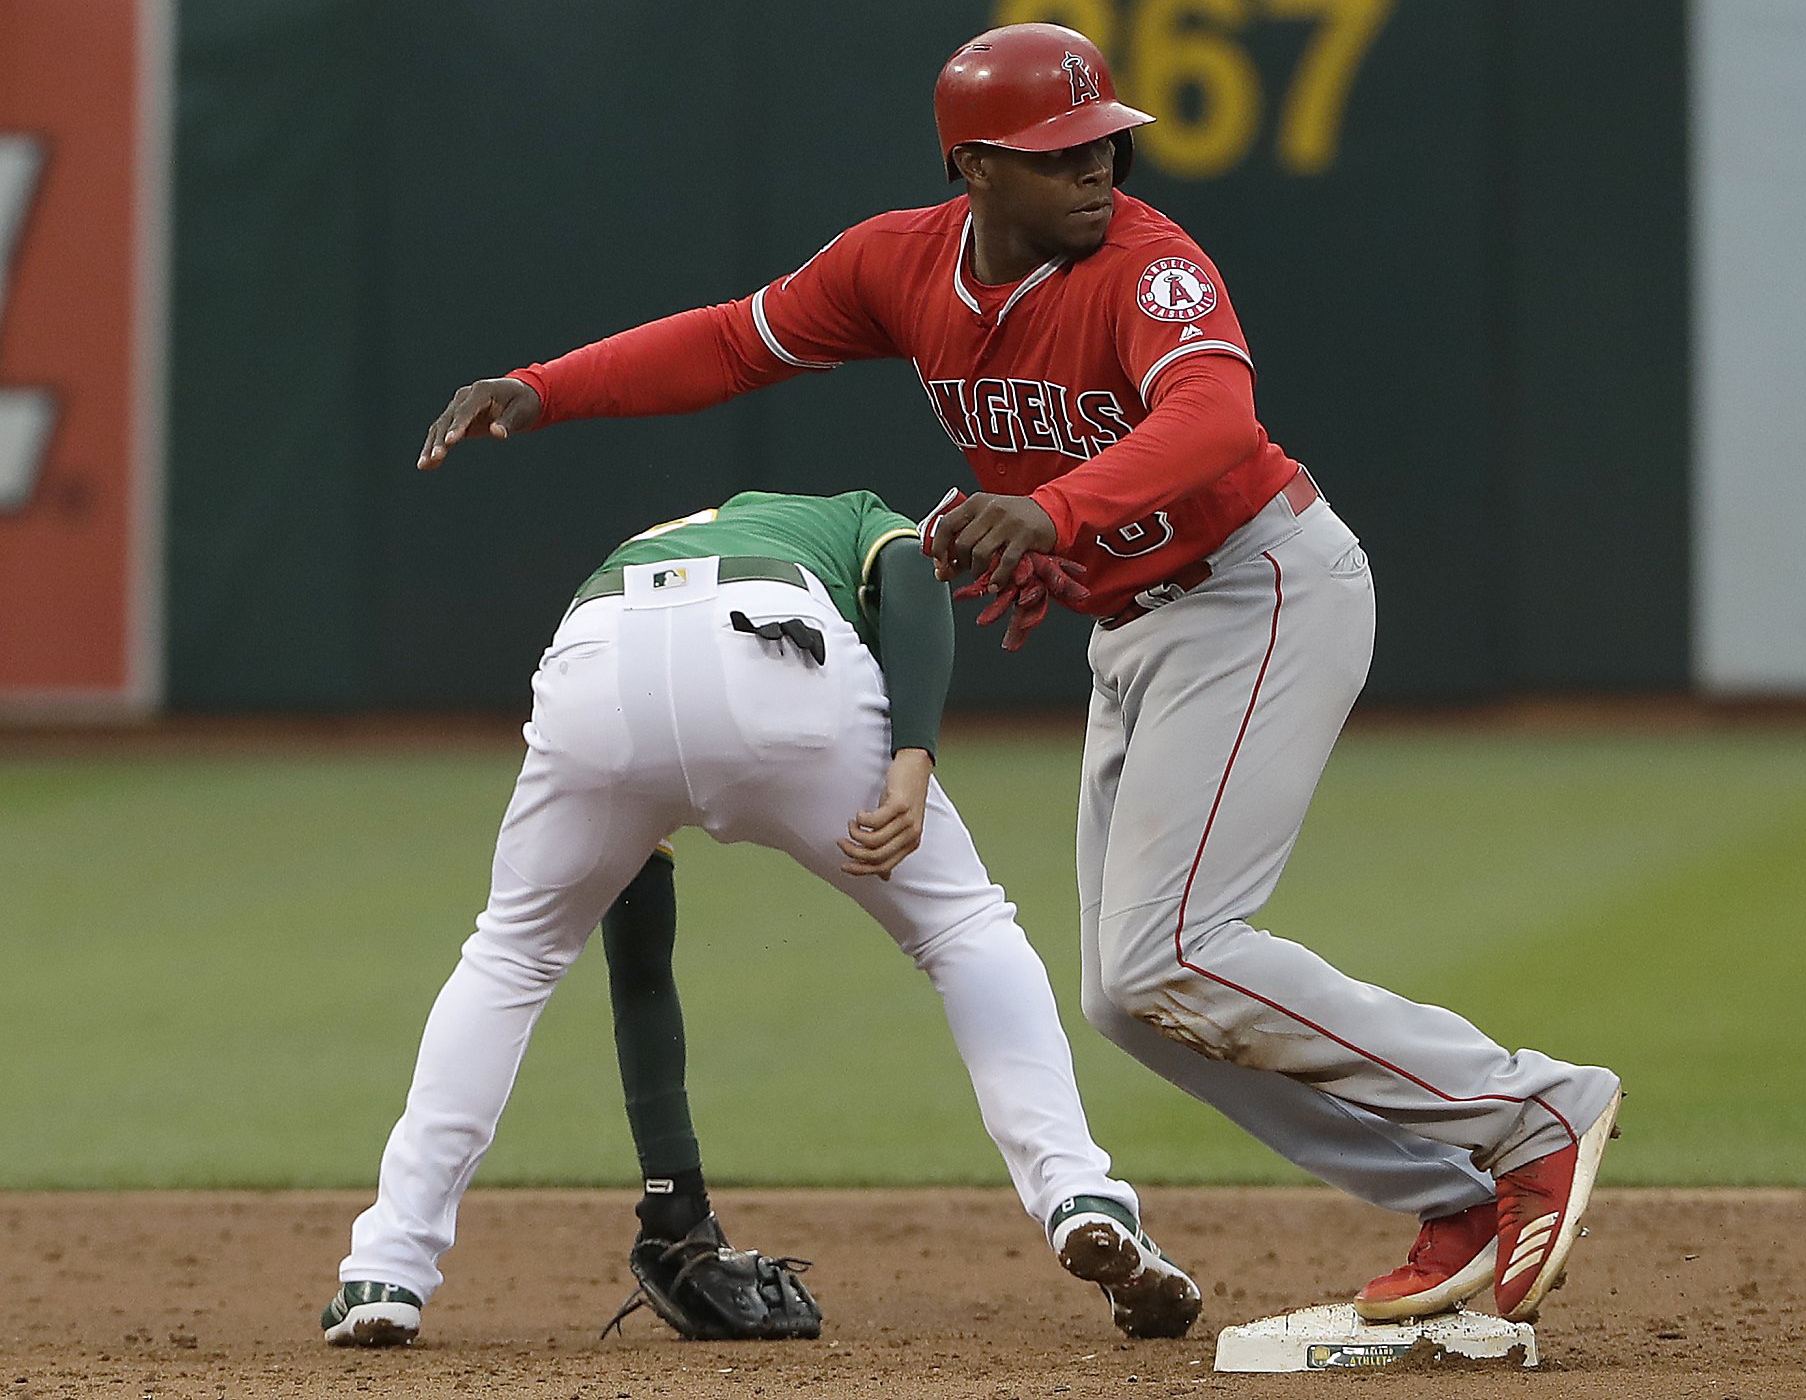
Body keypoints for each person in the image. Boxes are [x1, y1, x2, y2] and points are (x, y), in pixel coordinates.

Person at [414, 22, 1621, 1325]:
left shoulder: (1152, 269)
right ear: (976, 165)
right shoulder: (898, 265)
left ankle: (1532, 1108)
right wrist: (542, 388)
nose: (1099, 170)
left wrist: (1057, 513)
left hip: (1261, 584)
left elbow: (1211, 419)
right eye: (1062, 154)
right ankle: (1447, 1191)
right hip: (1143, 623)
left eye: (1107, 144)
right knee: (1132, 993)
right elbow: (729, 341)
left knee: (1175, 950)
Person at [319, 490, 1201, 1347]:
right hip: (774, 645)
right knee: (963, 928)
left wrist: (673, 1188)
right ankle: (1077, 1193)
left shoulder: (649, 541)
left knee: (510, 958)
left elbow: (641, 962)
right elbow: (910, 570)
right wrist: (912, 754)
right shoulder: (851, 514)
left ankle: (386, 1271)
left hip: (599, 654)